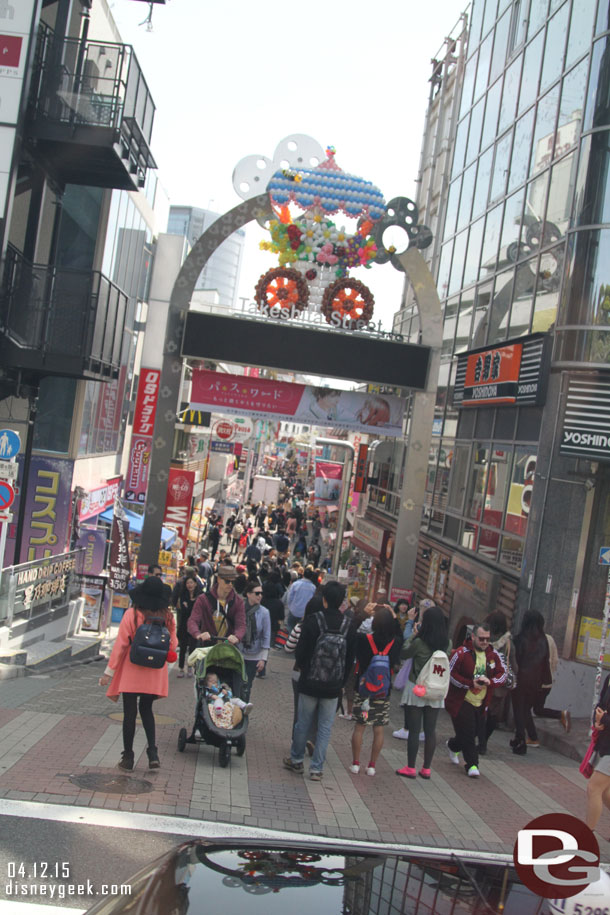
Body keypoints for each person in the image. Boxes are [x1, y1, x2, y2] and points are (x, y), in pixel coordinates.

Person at [98, 576, 177, 771]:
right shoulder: (168, 617)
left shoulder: (132, 614)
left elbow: (120, 645)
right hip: (154, 671)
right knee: (147, 711)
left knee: (130, 714)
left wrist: (109, 672)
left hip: (131, 669)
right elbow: (173, 645)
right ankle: (152, 753)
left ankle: (128, 757)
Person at [284, 581, 356, 780]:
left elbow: (301, 652)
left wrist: (307, 670)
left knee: (303, 723)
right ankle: (317, 768)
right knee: (324, 728)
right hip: (333, 686)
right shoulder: (349, 625)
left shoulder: (313, 620)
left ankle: (296, 760)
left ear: (324, 600)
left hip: (309, 682)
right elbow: (350, 658)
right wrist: (341, 682)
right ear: (342, 601)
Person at [395, 605, 451, 779]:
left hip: (417, 688)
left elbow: (404, 653)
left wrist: (411, 636)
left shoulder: (419, 643)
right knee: (430, 730)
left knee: (414, 730)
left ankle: (410, 767)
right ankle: (426, 768)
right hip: (435, 689)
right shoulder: (447, 644)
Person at [445, 623, 506, 777]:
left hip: (482, 702)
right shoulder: (461, 653)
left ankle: (453, 746)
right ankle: (472, 765)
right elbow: (450, 674)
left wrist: (490, 682)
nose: (485, 642)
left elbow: (503, 674)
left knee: (470, 734)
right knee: (469, 731)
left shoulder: (493, 655)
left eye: (487, 639)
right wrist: (469, 683)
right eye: (481, 639)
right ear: (473, 637)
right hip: (462, 700)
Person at [350, 606, 402, 776]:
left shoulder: (364, 640)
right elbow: (400, 635)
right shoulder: (395, 643)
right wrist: (395, 618)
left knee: (361, 726)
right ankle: (371, 766)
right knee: (378, 728)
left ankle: (356, 763)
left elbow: (352, 630)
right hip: (382, 692)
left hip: (364, 691)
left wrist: (364, 613)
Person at [510, 610, 570, 755]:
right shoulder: (543, 639)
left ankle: (520, 740)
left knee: (519, 710)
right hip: (536, 683)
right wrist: (544, 682)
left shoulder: (520, 639)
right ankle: (523, 739)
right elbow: (546, 662)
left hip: (520, 681)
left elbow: (515, 660)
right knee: (526, 710)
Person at [480, 610, 514, 753]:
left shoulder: (483, 639)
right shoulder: (508, 643)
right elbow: (514, 663)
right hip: (499, 684)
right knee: (493, 714)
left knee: (480, 711)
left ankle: (478, 741)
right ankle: (483, 743)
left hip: (482, 680)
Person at [187, 564, 245, 646]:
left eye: (233, 582)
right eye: (227, 581)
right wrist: (198, 634)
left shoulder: (238, 601)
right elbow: (193, 620)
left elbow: (241, 624)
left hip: (228, 647)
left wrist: (237, 636)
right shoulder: (203, 599)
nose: (230, 584)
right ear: (218, 579)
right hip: (207, 647)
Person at [585, 672, 610, 833]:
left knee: (594, 787)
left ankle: (587, 834)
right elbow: (601, 704)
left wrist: (604, 720)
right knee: (606, 792)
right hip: (606, 742)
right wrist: (597, 719)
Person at [242, 579, 271, 699]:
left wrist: (263, 659)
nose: (260, 596)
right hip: (238, 653)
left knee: (246, 687)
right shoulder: (239, 609)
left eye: (261, 593)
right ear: (248, 594)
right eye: (257, 593)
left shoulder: (264, 612)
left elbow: (266, 636)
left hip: (254, 655)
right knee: (236, 685)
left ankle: (243, 715)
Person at [173, 572, 202, 678]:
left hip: (195, 627)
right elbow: (184, 611)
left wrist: (188, 605)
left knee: (193, 648)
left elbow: (196, 612)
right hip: (184, 625)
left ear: (195, 584)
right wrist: (189, 606)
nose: (189, 585)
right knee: (183, 647)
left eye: (191, 582)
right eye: (187, 583)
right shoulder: (183, 596)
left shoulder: (200, 596)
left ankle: (190, 667)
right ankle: (181, 668)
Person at [285, 566, 317, 632]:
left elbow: (289, 597)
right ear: (311, 577)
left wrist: (290, 607)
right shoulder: (313, 588)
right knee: (300, 632)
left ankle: (290, 641)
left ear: (303, 575)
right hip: (304, 614)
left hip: (293, 610)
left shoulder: (295, 584)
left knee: (290, 628)